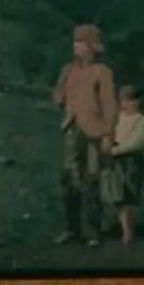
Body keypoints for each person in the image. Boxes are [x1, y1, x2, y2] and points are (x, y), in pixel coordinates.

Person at [50, 24, 117, 244]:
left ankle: (93, 232)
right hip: (72, 128)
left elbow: (109, 105)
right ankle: (71, 228)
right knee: (68, 178)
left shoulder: (102, 73)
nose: (75, 46)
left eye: (80, 42)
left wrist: (108, 134)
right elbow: (58, 96)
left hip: (94, 132)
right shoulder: (68, 70)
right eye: (75, 41)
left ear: (91, 46)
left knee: (91, 179)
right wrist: (61, 97)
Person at [102, 87, 144, 244]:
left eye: (132, 100)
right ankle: (113, 227)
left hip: (130, 161)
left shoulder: (141, 121)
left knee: (127, 196)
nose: (128, 104)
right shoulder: (118, 118)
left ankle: (128, 233)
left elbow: (137, 143)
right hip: (115, 161)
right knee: (116, 195)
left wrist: (117, 150)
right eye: (125, 100)